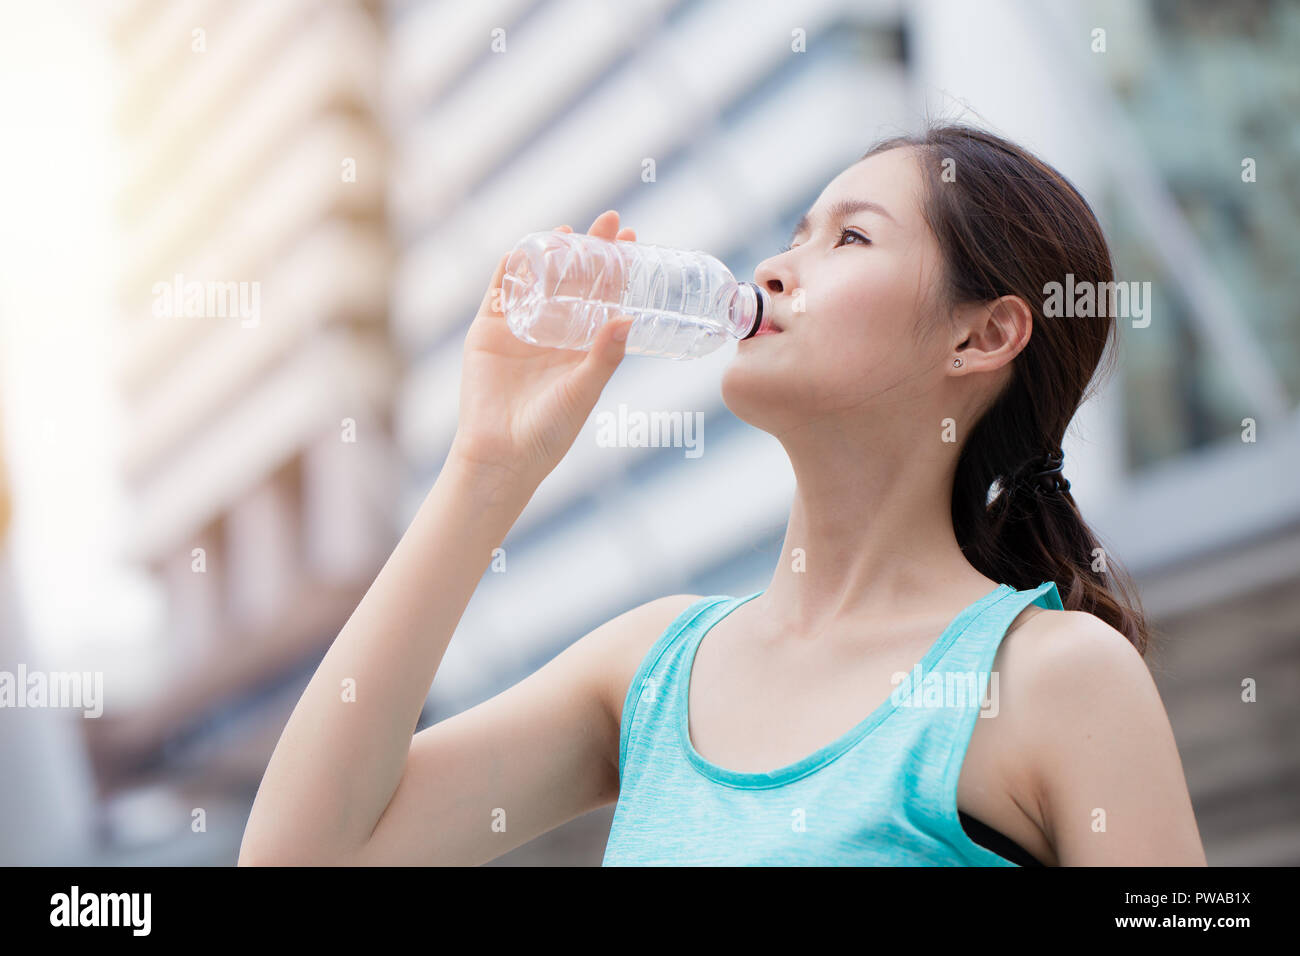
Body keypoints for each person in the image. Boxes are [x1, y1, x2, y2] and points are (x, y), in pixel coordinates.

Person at [239, 123, 1207, 867]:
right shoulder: (649, 668)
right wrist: (486, 468)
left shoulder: (1055, 676)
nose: (774, 268)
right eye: (795, 232)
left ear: (979, 336)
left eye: (849, 239)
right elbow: (299, 854)